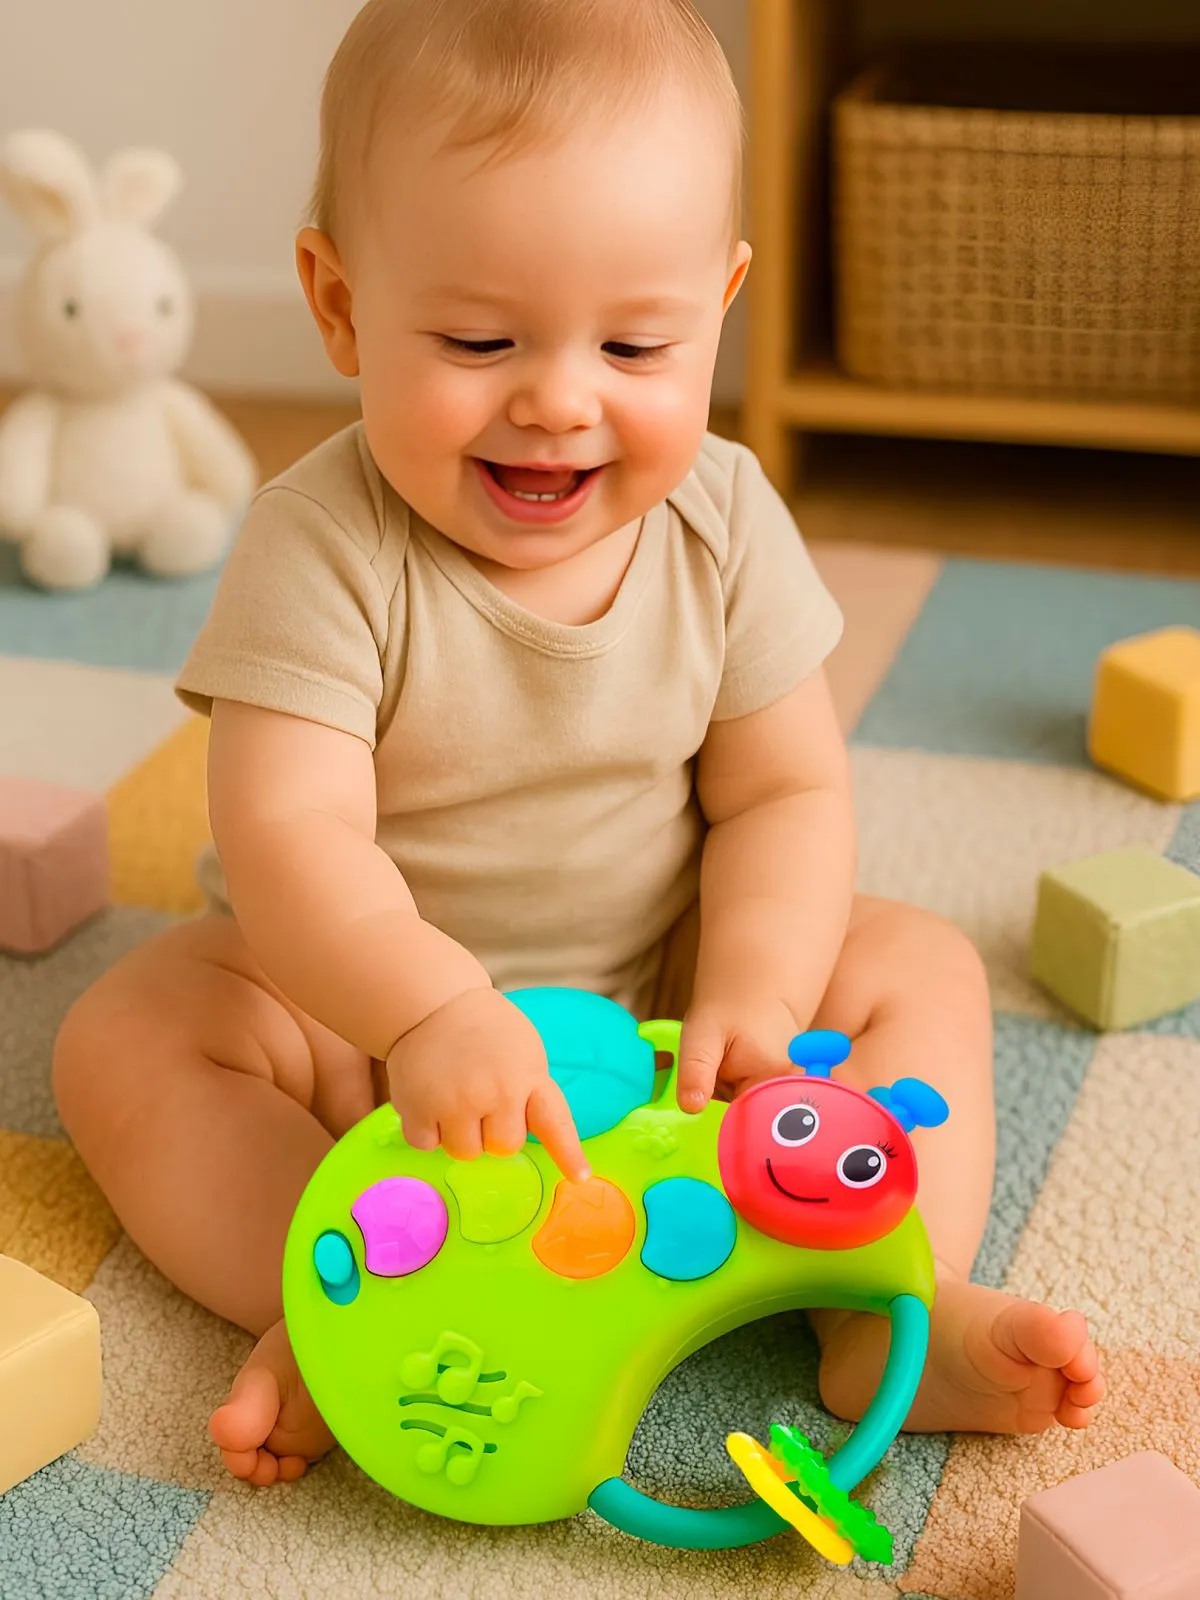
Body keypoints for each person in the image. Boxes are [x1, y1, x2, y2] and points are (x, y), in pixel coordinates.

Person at [53, 0, 1104, 1489]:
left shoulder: (724, 520)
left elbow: (786, 793)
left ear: (720, 308)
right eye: (479, 339)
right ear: (340, 304)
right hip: (368, 1039)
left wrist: (755, 991)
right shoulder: (319, 547)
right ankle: (349, 1287)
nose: (558, 398)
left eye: (635, 343)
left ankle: (880, 1298)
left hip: (672, 997)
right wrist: (427, 1010)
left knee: (916, 964)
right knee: (133, 1034)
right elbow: (293, 838)